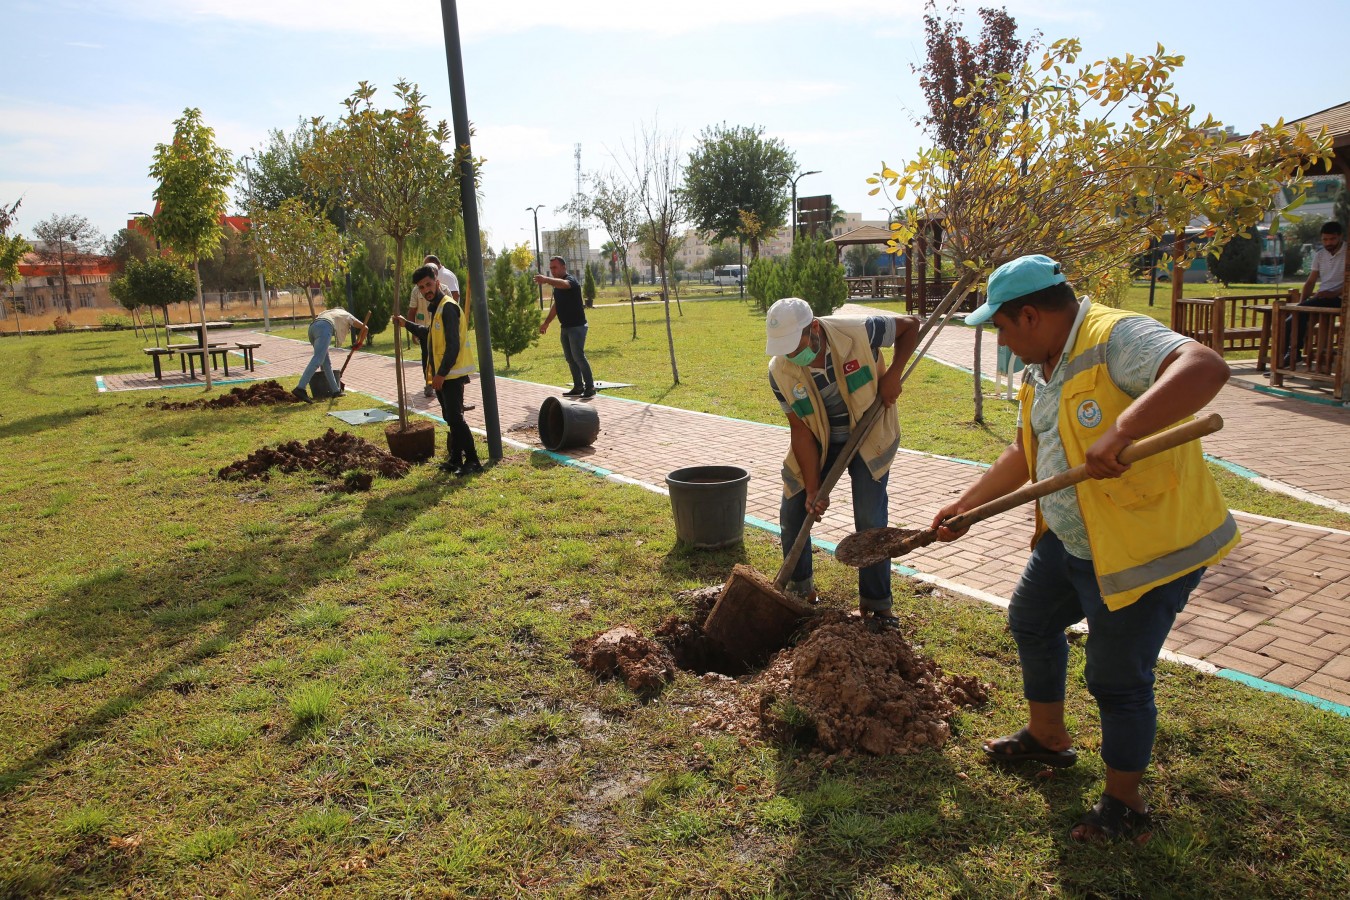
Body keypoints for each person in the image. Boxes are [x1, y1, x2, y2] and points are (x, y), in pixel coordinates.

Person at [932, 254, 1238, 843]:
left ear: (1028, 316)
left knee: (1117, 679)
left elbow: (1204, 367)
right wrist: (965, 506)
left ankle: (1126, 807)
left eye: (999, 326)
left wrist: (1121, 433)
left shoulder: (1114, 337)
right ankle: (1047, 738)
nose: (999, 339)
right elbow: (1025, 452)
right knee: (1030, 620)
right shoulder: (1039, 368)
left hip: (1145, 548)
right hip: (1075, 540)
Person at [765, 297, 920, 627]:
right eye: (785, 348)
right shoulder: (779, 370)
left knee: (870, 516)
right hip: (820, 442)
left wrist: (893, 374)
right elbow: (801, 432)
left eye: (797, 345)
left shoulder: (860, 331)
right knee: (793, 509)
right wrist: (812, 489)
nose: (793, 355)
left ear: (815, 329)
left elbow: (910, 327)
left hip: (869, 434)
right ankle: (799, 592)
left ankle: (877, 605)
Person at [395, 265, 482, 475]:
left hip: (451, 374)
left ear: (438, 282)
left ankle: (472, 460)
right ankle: (455, 458)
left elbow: (453, 345)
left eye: (428, 284)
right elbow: (430, 335)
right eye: (421, 287)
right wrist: (406, 324)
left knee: (455, 418)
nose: (426, 290)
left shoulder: (448, 307)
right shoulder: (437, 307)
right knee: (450, 417)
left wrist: (441, 374)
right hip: (444, 375)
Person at [1281, 221, 1345, 367]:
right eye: (1325, 240)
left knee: (1295, 319)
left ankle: (1292, 355)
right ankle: (1289, 356)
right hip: (1323, 298)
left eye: (1332, 239)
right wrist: (1301, 303)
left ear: (1340, 237)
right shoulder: (1320, 255)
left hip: (1341, 298)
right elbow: (1310, 282)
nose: (1328, 243)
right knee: (1291, 319)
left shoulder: (1347, 252)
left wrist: (1334, 292)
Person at [536, 256, 595, 398]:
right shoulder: (557, 287)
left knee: (578, 357)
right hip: (565, 327)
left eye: (555, 267)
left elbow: (565, 284)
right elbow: (556, 306)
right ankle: (578, 387)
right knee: (570, 358)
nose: (552, 271)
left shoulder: (571, 280)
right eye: (550, 268)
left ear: (563, 267)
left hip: (577, 327)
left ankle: (590, 387)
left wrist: (546, 279)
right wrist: (546, 322)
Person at [292, 307, 368, 403]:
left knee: (326, 363)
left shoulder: (330, 313)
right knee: (318, 359)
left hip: (312, 328)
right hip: (324, 328)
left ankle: (336, 391)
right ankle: (300, 388)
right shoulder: (346, 314)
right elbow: (365, 328)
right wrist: (360, 343)